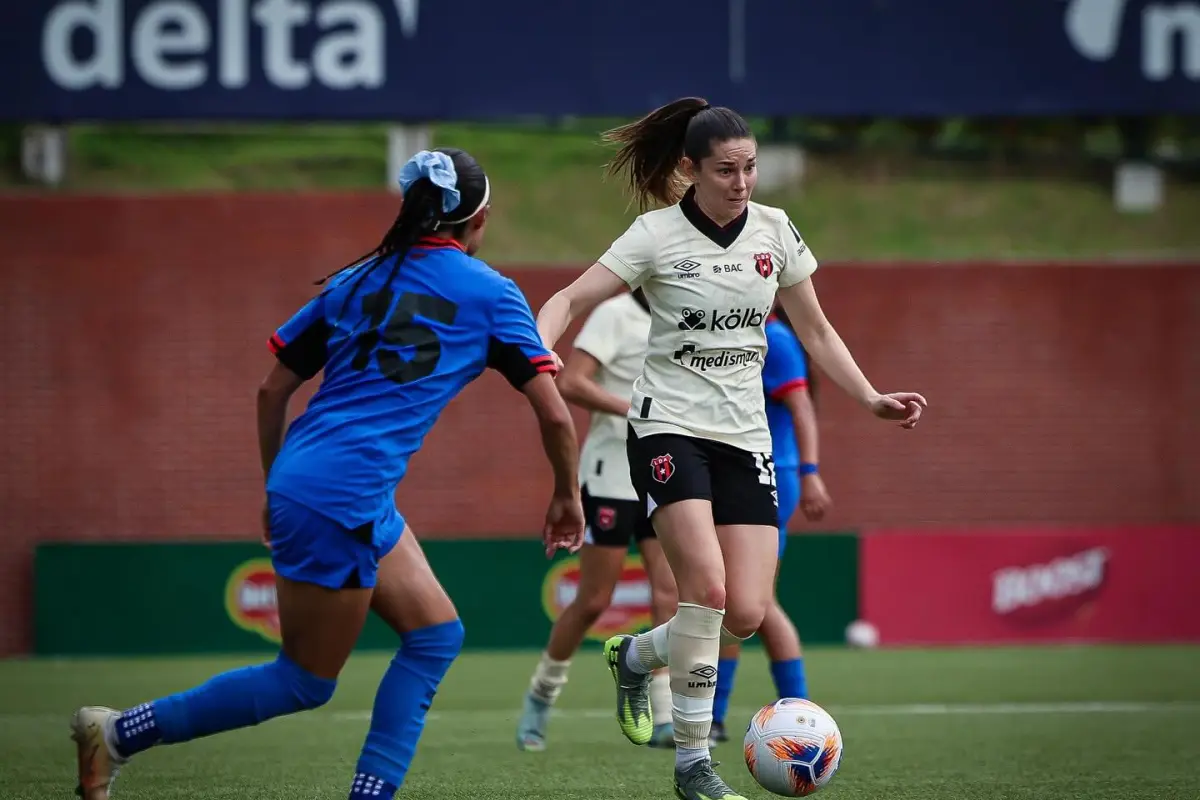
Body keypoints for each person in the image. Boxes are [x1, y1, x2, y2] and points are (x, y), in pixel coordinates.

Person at [69, 148, 586, 800]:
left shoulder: (354, 280)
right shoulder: (492, 294)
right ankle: (118, 734)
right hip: (345, 495)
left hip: (323, 485)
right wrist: (566, 495)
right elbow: (556, 416)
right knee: (304, 681)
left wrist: (273, 484)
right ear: (478, 220)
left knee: (435, 636)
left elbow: (271, 391)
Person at [535, 97, 927, 800]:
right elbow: (568, 298)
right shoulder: (655, 235)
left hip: (744, 437)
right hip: (666, 428)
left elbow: (817, 331)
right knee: (707, 593)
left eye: (749, 168)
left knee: (744, 613)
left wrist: (870, 398)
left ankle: (637, 654)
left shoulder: (776, 231)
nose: (741, 182)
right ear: (690, 169)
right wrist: (541, 349)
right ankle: (693, 765)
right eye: (725, 170)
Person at [516, 288, 680, 752]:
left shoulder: (682, 312)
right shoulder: (615, 314)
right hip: (611, 476)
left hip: (664, 472)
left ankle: (664, 715)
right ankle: (540, 697)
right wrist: (636, 410)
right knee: (593, 600)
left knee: (669, 594)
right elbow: (571, 382)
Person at [709, 304, 832, 745]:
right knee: (738, 600)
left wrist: (810, 472)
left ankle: (798, 714)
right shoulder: (742, 335)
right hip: (748, 476)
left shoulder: (774, 339)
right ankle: (722, 716)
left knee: (755, 603)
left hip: (771, 476)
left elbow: (802, 408)